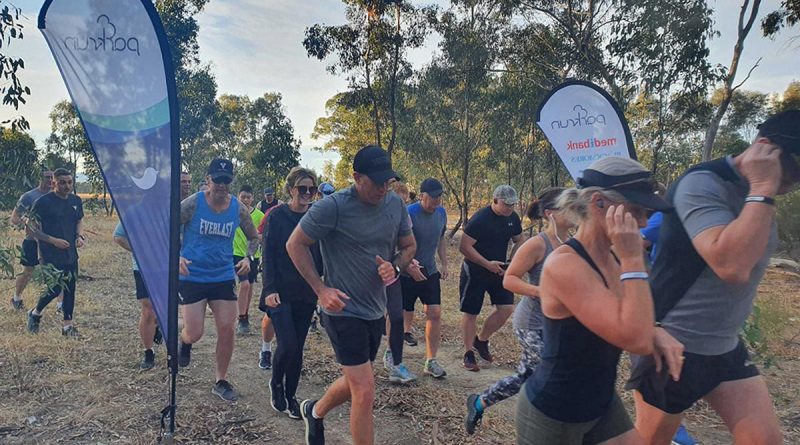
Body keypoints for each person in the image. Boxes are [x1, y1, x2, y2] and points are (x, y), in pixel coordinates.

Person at [629, 110, 800, 445]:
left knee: (764, 440)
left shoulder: (757, 196)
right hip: (674, 344)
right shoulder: (703, 183)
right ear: (764, 148)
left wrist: (762, 191)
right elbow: (731, 266)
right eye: (795, 168)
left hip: (724, 346)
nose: (794, 183)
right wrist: (763, 187)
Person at [516, 157, 670, 444]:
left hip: (601, 401)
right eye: (635, 210)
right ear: (599, 203)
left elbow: (636, 316)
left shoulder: (616, 256)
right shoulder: (564, 265)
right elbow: (636, 339)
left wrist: (656, 329)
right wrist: (634, 259)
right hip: (555, 412)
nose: (644, 222)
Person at [287, 145, 415, 445]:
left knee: (357, 380)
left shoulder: (395, 204)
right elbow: (295, 244)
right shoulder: (332, 207)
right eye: (377, 182)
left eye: (388, 181)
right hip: (341, 309)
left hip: (375, 309)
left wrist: (395, 267)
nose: (384, 188)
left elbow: (409, 248)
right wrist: (320, 289)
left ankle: (315, 411)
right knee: (365, 389)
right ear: (357, 177)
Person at [465, 187, 573, 434]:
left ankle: (479, 402)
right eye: (569, 206)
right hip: (532, 322)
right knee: (557, 370)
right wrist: (541, 292)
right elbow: (510, 279)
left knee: (526, 374)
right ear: (551, 214)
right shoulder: (538, 244)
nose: (576, 212)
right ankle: (546, 429)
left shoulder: (574, 243)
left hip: (558, 323)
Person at [177, 158, 260, 402]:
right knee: (195, 332)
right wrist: (176, 257)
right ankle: (185, 342)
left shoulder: (237, 208)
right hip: (193, 275)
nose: (222, 185)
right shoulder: (192, 204)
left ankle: (220, 380)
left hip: (223, 276)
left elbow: (254, 237)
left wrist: (248, 257)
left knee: (227, 329)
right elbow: (167, 227)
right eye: (217, 180)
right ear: (208, 179)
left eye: (226, 180)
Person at [260, 167, 323, 419]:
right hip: (280, 292)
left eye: (312, 189)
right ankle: (276, 383)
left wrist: (323, 286)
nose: (307, 193)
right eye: (302, 189)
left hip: (306, 292)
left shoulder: (317, 218)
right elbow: (269, 255)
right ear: (290, 190)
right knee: (287, 344)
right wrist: (269, 288)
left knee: (298, 348)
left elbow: (321, 256)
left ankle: (292, 395)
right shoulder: (277, 217)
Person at [459, 184, 524, 371]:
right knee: (471, 312)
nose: (510, 208)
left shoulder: (513, 218)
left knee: (506, 309)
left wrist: (511, 261)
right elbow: (464, 247)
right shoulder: (480, 219)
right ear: (495, 200)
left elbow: (519, 239)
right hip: (476, 270)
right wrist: (487, 264)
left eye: (513, 205)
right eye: (506, 204)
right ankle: (469, 352)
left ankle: (481, 340)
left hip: (499, 270)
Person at [26, 168, 85, 337]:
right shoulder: (43, 202)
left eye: (69, 182)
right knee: (54, 288)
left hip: (71, 253)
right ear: (53, 183)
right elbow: (31, 228)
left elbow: (79, 220)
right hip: (49, 253)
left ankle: (67, 326)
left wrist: (79, 236)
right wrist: (53, 241)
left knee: (70, 288)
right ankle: (35, 313)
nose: (67, 186)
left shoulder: (75, 200)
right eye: (62, 182)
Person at [399, 178, 449, 379]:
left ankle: (431, 360)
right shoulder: (409, 213)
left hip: (429, 270)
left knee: (435, 312)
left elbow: (441, 238)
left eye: (439, 196)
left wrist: (444, 263)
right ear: (422, 196)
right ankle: (394, 358)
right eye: (433, 196)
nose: (437, 201)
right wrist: (409, 266)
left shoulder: (442, 213)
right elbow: (397, 243)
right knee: (401, 315)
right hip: (406, 272)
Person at [382, 180, 417, 384]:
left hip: (392, 272)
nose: (403, 206)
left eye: (405, 202)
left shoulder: (404, 217)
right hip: (367, 274)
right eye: (399, 202)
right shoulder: (374, 213)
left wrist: (407, 262)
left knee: (396, 316)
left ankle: (395, 362)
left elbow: (407, 245)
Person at [113, 223, 160, 369]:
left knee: (162, 306)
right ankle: (148, 352)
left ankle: (157, 326)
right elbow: (118, 236)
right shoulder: (135, 212)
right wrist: (139, 250)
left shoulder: (172, 210)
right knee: (148, 309)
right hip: (143, 267)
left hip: (167, 265)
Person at [9, 169, 53, 310]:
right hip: (32, 241)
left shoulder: (57, 196)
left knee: (56, 271)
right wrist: (27, 225)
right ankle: (17, 298)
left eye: (52, 177)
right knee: (28, 271)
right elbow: (14, 218)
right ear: (39, 178)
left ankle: (60, 305)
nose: (50, 180)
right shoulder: (28, 196)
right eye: (47, 177)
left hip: (52, 240)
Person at [233, 185, 265, 335]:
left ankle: (245, 312)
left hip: (254, 255)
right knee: (244, 284)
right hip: (237, 254)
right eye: (243, 197)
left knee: (250, 286)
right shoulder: (232, 212)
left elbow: (263, 234)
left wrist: (256, 237)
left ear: (253, 198)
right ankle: (241, 318)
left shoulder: (259, 215)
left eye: (248, 197)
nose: (245, 200)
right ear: (238, 197)